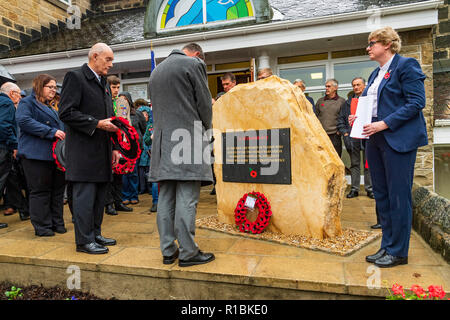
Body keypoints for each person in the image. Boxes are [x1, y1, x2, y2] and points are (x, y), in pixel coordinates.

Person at [351, 27, 428, 268]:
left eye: (372, 43)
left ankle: (399, 252)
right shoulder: (375, 74)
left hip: (398, 140)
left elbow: (417, 102)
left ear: (387, 44)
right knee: (382, 196)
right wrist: (360, 119)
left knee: (398, 197)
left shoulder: (407, 65)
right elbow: (372, 106)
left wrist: (384, 123)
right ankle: (387, 246)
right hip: (375, 140)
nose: (368, 48)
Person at [148, 43, 215, 267]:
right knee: (187, 197)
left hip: (163, 143)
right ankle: (188, 252)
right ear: (197, 54)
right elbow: (205, 105)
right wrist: (207, 131)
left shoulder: (156, 71)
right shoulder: (193, 64)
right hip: (187, 139)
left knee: (166, 197)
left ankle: (168, 250)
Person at [59, 43, 120, 254]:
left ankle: (95, 233)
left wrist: (114, 147)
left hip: (102, 150)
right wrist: (96, 123)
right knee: (84, 198)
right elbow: (66, 112)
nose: (111, 64)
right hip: (84, 153)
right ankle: (83, 241)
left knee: (99, 197)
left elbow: (108, 117)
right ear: (95, 56)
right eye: (108, 59)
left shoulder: (103, 82)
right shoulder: (75, 78)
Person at [15, 74, 66, 236]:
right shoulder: (26, 102)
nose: (53, 90)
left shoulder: (51, 107)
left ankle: (57, 223)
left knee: (57, 191)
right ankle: (42, 226)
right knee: (40, 192)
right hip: (35, 156)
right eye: (50, 87)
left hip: (54, 157)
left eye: (54, 87)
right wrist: (51, 131)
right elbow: (24, 121)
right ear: (39, 86)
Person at [337, 77, 374, 200]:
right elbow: (341, 119)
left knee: (368, 164)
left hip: (368, 135)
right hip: (353, 137)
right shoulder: (347, 103)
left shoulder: (371, 101)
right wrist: (345, 133)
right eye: (354, 85)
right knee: (355, 163)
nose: (356, 87)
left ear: (364, 85)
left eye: (358, 85)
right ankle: (354, 189)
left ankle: (370, 189)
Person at [104, 76, 133, 216]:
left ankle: (118, 201)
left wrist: (129, 137)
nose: (116, 90)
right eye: (113, 87)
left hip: (122, 140)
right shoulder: (104, 100)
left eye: (117, 87)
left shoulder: (122, 101)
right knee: (109, 173)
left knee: (120, 171)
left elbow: (127, 119)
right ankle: (108, 204)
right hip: (109, 140)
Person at [0, 82, 22, 229]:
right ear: (12, 93)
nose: (20, 97)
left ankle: (25, 210)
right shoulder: (7, 103)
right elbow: (4, 125)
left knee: (11, 178)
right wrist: (14, 144)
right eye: (18, 94)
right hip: (3, 147)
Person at [118, 92, 147, 206]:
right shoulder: (118, 114)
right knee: (124, 173)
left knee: (133, 172)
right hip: (123, 147)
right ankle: (125, 195)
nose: (123, 102)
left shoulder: (138, 114)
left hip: (135, 147)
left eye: (125, 99)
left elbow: (143, 129)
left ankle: (134, 195)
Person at [315, 79, 346, 157]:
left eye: (329, 86)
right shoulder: (320, 101)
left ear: (335, 88)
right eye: (326, 86)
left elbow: (344, 118)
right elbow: (315, 117)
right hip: (322, 135)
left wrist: (339, 131)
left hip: (335, 135)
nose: (326, 88)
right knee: (323, 158)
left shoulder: (342, 101)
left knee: (336, 158)